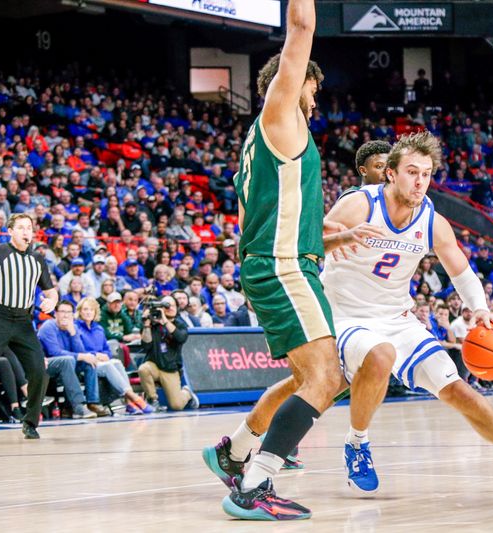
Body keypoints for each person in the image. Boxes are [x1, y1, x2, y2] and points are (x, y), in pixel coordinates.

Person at [202, 0, 381, 521]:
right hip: (281, 269)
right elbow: (302, 24)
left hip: (284, 263)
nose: (316, 96)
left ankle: (233, 453)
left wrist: (331, 238)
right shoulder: (279, 113)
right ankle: (253, 486)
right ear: (290, 81)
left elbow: (265, 225)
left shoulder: (266, 149)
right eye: (312, 85)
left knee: (326, 376)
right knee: (326, 379)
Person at [319, 131, 493, 496]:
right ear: (390, 173)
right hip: (346, 315)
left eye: (425, 173)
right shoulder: (360, 204)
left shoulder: (431, 220)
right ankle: (357, 443)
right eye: (411, 171)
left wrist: (480, 310)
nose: (419, 180)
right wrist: (335, 242)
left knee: (458, 390)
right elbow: (307, 241)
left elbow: (460, 269)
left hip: (396, 318)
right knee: (378, 356)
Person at [0, 214, 57, 438]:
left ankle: (30, 422)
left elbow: (51, 290)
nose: (26, 231)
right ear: (10, 231)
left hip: (23, 322)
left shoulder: (38, 259)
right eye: (20, 227)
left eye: (29, 227)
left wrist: (52, 301)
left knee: (40, 370)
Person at [75, 297, 153, 414]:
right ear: (80, 311)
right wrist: (96, 355)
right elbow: (78, 349)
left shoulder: (99, 328)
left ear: (95, 312)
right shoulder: (76, 328)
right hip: (86, 364)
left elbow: (107, 350)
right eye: (85, 309)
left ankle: (129, 403)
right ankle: (134, 398)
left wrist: (106, 355)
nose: (88, 312)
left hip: (101, 362)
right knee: (108, 366)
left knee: (116, 362)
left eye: (91, 309)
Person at [37, 300, 104, 419]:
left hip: (68, 364)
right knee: (67, 360)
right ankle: (78, 406)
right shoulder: (48, 327)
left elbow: (81, 352)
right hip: (46, 364)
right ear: (55, 314)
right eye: (62, 311)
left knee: (89, 361)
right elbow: (55, 352)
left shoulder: (73, 327)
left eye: (68, 312)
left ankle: (92, 402)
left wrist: (73, 333)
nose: (65, 315)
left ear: (72, 315)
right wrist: (81, 356)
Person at [137, 296, 195, 411]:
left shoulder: (180, 323)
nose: (170, 308)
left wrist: (165, 321)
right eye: (166, 305)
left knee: (176, 405)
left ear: (177, 308)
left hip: (170, 368)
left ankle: (187, 393)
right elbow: (146, 345)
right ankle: (152, 400)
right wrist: (147, 325)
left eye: (172, 305)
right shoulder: (153, 324)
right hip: (154, 365)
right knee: (143, 369)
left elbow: (180, 338)